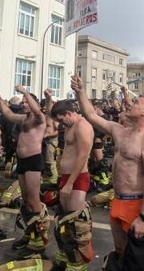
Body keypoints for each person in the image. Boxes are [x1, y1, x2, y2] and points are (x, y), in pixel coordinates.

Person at [71, 75, 144, 259]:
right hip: (117, 199)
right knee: (120, 251)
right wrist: (80, 92)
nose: (129, 103)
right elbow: (91, 115)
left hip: (135, 203)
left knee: (136, 257)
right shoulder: (120, 131)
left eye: (135, 102)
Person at [0, 85, 49, 257]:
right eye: (23, 102)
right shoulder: (24, 119)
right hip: (22, 161)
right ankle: (29, 233)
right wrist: (0, 101)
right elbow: (9, 115)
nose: (24, 104)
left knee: (34, 201)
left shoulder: (39, 119)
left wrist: (25, 92)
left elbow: (38, 111)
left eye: (27, 102)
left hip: (34, 161)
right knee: (25, 201)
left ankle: (39, 239)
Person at [50, 100, 94, 271]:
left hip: (77, 178)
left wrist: (69, 183)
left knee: (77, 223)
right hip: (66, 177)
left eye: (61, 119)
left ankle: (79, 262)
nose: (61, 124)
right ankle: (66, 253)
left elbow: (83, 155)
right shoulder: (69, 125)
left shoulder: (83, 126)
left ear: (69, 113)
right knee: (64, 219)